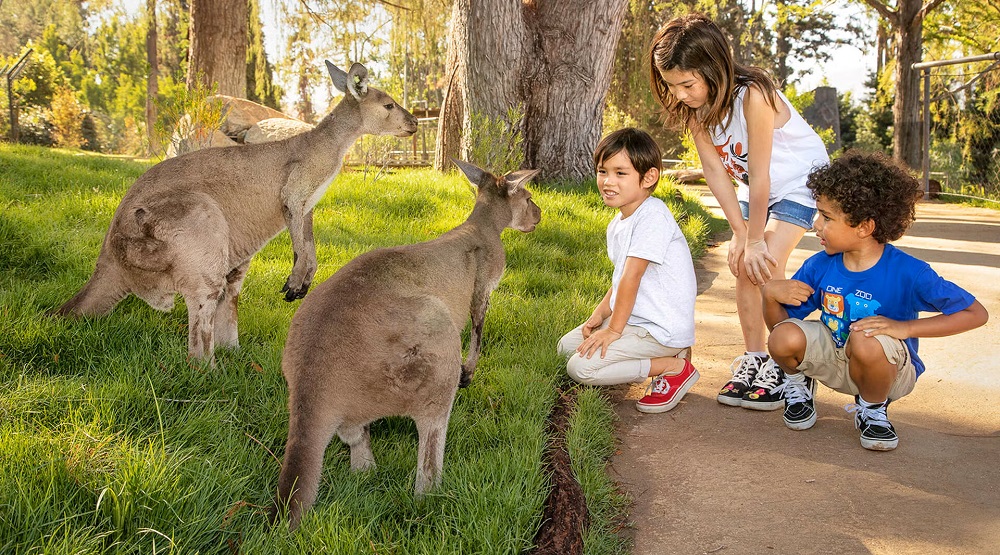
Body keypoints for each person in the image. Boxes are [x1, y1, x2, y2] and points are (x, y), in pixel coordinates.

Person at [648, 13, 829, 411]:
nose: (679, 94)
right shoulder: (696, 113)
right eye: (671, 85)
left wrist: (754, 238)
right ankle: (756, 358)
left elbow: (761, 174)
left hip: (798, 182)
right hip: (757, 187)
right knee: (744, 266)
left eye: (687, 84)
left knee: (763, 262)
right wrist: (739, 231)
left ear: (713, 69)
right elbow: (716, 172)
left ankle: (789, 364)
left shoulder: (755, 95)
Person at [762, 151, 989, 450]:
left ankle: (872, 410)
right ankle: (797, 384)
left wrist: (905, 328)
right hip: (834, 359)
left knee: (866, 339)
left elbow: (975, 313)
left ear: (864, 227)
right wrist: (769, 295)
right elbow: (782, 328)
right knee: (783, 338)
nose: (816, 225)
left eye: (826, 217)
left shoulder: (910, 272)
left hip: (886, 370)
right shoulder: (820, 265)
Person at [557, 128, 698, 414]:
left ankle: (673, 366)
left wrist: (613, 331)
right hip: (636, 322)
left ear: (649, 178)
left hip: (659, 329)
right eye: (603, 171)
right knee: (565, 348)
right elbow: (621, 277)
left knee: (581, 369)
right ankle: (665, 355)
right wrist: (599, 316)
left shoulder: (653, 215)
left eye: (620, 173)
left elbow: (632, 278)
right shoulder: (619, 223)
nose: (608, 182)